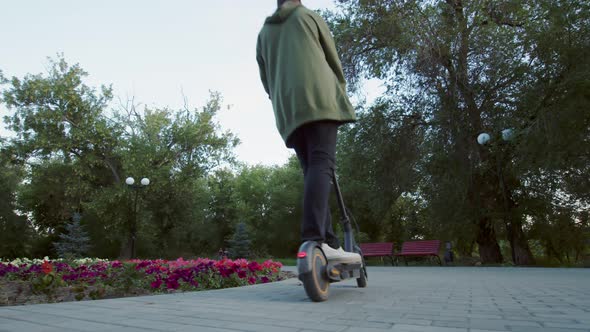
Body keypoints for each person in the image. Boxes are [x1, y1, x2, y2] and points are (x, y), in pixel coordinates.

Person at [256, 0, 360, 263]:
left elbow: (267, 82)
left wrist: (284, 102)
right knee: (322, 164)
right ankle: (315, 236)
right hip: (320, 100)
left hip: (289, 111)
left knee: (312, 170)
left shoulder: (263, 35)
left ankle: (329, 242)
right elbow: (333, 61)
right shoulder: (308, 16)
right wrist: (340, 96)